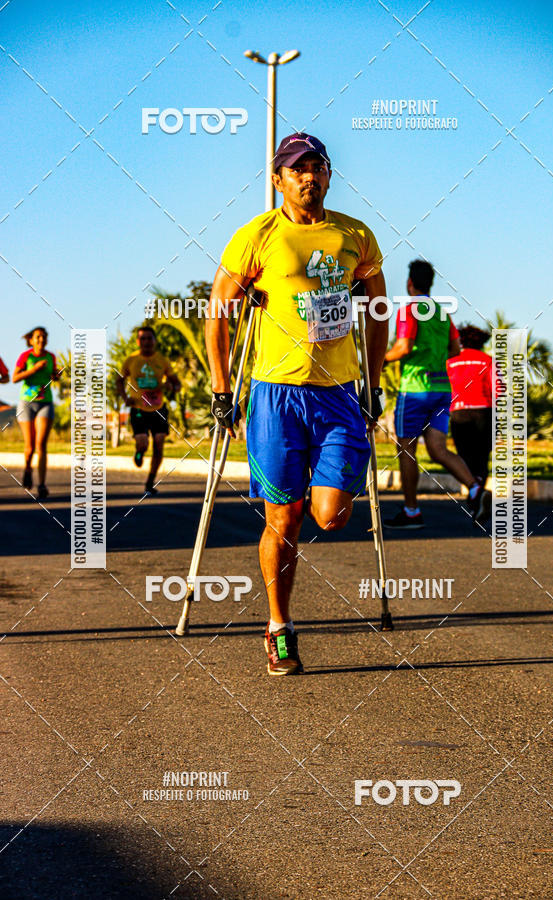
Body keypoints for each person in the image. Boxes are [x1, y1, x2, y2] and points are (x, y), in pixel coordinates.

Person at [205, 132, 388, 675]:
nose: (310, 176)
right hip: (275, 394)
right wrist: (221, 389)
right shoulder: (257, 236)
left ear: (329, 175)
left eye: (319, 166)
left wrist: (373, 383)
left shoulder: (355, 235)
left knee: (328, 515)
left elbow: (378, 312)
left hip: (338, 394)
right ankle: (279, 626)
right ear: (278, 178)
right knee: (283, 518)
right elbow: (219, 308)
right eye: (298, 168)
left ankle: (322, 485)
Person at [383, 260, 491, 529]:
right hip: (442, 390)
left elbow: (404, 346)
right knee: (438, 449)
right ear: (429, 283)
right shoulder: (443, 313)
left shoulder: (409, 310)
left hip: (416, 389)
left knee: (406, 450)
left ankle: (411, 512)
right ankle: (475, 489)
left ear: (410, 283)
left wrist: (382, 359)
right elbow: (455, 350)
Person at [117, 326, 181, 496]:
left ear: (154, 341)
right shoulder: (131, 360)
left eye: (149, 338)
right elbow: (119, 381)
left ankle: (150, 482)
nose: (146, 342)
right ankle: (139, 451)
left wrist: (172, 386)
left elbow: (177, 383)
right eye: (142, 339)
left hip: (159, 408)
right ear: (138, 342)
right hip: (138, 408)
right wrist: (125, 398)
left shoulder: (162, 360)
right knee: (143, 442)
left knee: (159, 445)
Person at [12, 326, 59, 499]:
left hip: (45, 402)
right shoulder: (26, 356)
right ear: (31, 340)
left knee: (41, 445)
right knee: (30, 446)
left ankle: (42, 484)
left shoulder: (51, 357)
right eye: (38, 337)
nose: (41, 340)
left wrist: (56, 375)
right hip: (27, 403)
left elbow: (54, 375)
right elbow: (15, 378)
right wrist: (34, 369)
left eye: (44, 337)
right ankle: (27, 469)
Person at [447, 325, 493, 487]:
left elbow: (445, 386)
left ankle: (474, 490)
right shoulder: (487, 360)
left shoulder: (450, 361)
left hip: (458, 412)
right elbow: (499, 389)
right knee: (482, 455)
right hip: (484, 412)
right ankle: (480, 483)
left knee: (464, 454)